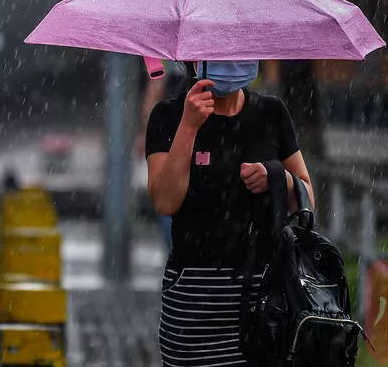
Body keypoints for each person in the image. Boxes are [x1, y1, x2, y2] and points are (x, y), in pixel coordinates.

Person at [144, 60, 315, 367]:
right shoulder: (168, 115)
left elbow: (306, 199)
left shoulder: (271, 113)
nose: (231, 58)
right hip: (192, 302)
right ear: (192, 58)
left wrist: (277, 177)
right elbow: (165, 202)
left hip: (265, 302)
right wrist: (189, 126)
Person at [135, 59, 189, 252]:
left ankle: (176, 252)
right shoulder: (166, 55)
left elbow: (154, 91)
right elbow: (154, 90)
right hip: (173, 139)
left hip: (172, 139)